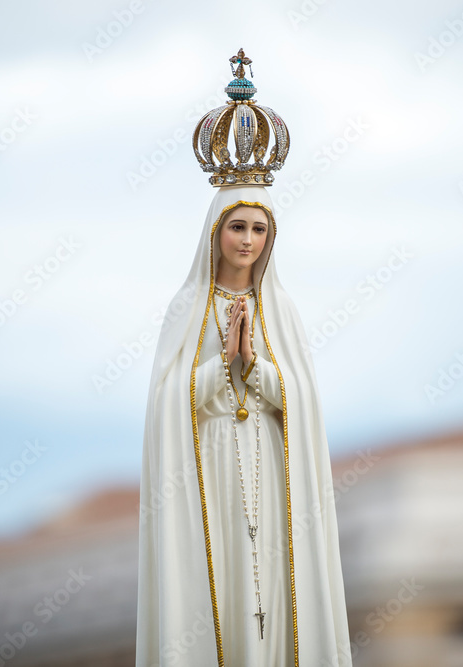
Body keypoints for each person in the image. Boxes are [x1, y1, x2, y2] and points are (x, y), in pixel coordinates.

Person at [135, 184, 352, 666]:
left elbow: (303, 401)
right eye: (237, 227)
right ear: (215, 233)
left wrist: (252, 362)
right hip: (208, 471)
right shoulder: (186, 307)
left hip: (272, 468)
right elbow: (166, 403)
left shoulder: (282, 310)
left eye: (259, 228)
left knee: (272, 584)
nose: (247, 240)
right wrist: (221, 363)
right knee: (222, 577)